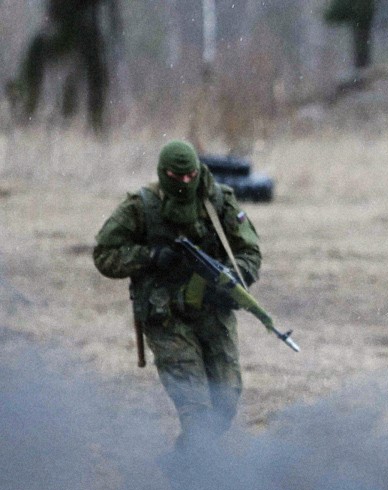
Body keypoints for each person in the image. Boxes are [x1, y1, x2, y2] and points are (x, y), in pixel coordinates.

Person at [93, 139, 262, 451]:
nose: (185, 183)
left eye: (190, 176)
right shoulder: (140, 207)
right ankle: (193, 479)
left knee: (224, 403)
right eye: (176, 177)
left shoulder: (219, 202)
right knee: (197, 412)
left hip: (213, 312)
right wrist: (150, 256)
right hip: (166, 316)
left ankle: (183, 461)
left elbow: (249, 251)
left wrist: (233, 278)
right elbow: (104, 254)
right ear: (163, 173)